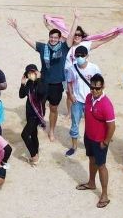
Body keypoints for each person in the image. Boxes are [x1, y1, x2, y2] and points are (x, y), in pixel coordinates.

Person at [7, 12, 77, 141]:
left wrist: (76, 18)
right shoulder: (43, 47)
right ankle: (41, 121)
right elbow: (28, 39)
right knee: (40, 105)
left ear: (59, 38)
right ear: (49, 37)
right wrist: (17, 28)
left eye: (56, 37)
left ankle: (52, 131)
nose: (53, 39)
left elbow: (71, 35)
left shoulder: (64, 48)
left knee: (54, 108)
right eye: (51, 37)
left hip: (56, 84)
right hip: (42, 82)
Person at [77, 74, 116, 208]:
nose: (94, 90)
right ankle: (91, 183)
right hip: (89, 136)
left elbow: (112, 126)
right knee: (91, 160)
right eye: (92, 87)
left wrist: (105, 142)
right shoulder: (88, 97)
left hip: (100, 141)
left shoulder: (106, 104)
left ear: (102, 87)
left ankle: (104, 195)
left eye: (97, 88)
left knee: (101, 166)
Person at [65, 45, 100, 157]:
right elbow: (69, 82)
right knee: (75, 124)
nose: (79, 57)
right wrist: (71, 95)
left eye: (82, 55)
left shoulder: (94, 68)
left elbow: (100, 83)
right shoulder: (72, 69)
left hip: (91, 101)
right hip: (77, 101)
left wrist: (98, 98)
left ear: (87, 56)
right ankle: (74, 147)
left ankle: (91, 145)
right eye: (77, 55)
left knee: (92, 124)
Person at [18, 64, 47, 166]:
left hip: (37, 113)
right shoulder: (29, 83)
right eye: (29, 73)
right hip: (29, 113)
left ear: (37, 72)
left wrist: (38, 79)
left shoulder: (42, 82)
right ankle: (36, 152)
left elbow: (41, 93)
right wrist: (22, 84)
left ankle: (34, 156)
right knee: (33, 134)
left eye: (33, 72)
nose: (31, 74)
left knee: (25, 134)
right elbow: (21, 95)